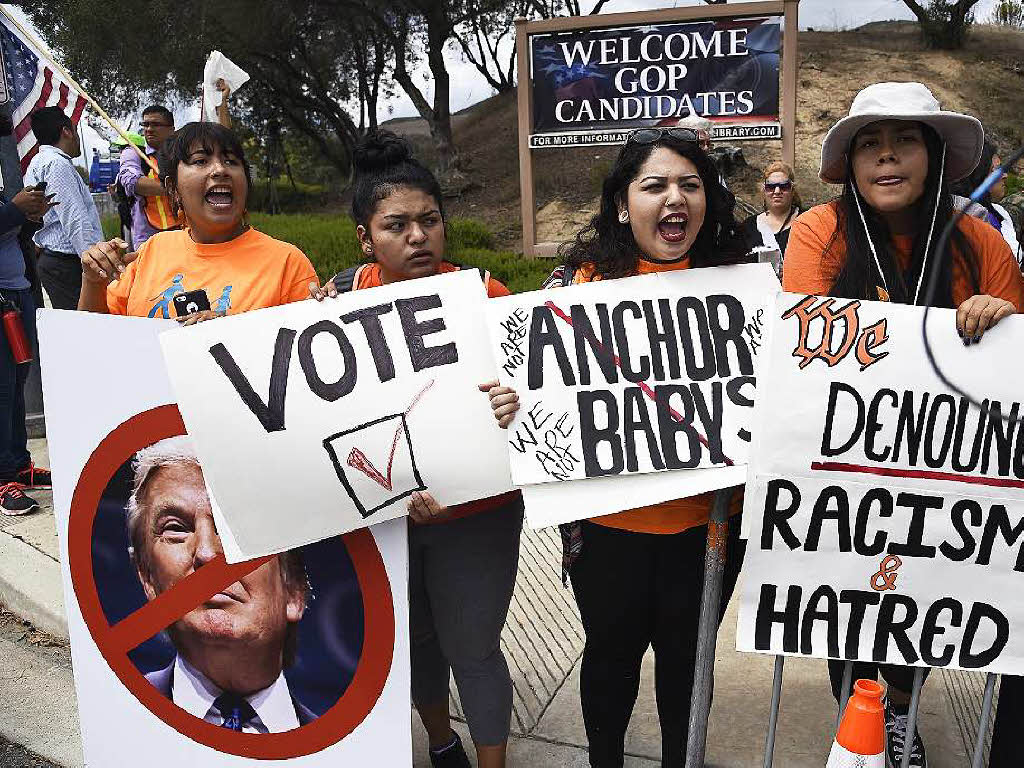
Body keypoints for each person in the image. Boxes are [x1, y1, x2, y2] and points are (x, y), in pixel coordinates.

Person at [483, 126, 749, 768]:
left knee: (689, 664)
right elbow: (523, 380)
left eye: (690, 185)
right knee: (610, 657)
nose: (674, 200)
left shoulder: (742, 285)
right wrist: (509, 401)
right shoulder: (576, 283)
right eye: (654, 185)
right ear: (623, 203)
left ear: (708, 199)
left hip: (707, 528)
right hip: (606, 531)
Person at [783, 81, 1024, 768]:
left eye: (906, 139)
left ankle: (904, 706)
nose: (887, 157)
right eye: (870, 143)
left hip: (946, 483)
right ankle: (869, 715)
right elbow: (802, 341)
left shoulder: (982, 245)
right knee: (849, 616)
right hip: (843, 476)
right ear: (852, 164)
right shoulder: (818, 232)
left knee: (921, 608)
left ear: (937, 155)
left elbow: (1012, 378)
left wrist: (999, 322)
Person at [309, 130, 523, 768]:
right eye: (397, 224)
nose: (418, 236)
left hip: (479, 514)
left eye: (430, 220)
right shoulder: (337, 305)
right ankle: (441, 742)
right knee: (418, 639)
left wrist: (515, 403)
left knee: (473, 647)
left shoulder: (485, 295)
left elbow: (533, 399)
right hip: (384, 516)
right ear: (365, 238)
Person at [126, 437, 315, 732]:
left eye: (235, 527)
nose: (206, 552)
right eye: (176, 528)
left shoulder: (358, 752)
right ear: (147, 577)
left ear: (293, 590)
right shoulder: (118, 720)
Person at [77, 121, 317, 319]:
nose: (220, 170)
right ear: (172, 188)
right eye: (201, 161)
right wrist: (93, 281)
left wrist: (224, 338)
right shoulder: (153, 249)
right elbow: (94, 342)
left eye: (231, 161)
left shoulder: (287, 263)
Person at [0, 115, 58, 515]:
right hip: (4, 299)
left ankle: (18, 465)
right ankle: (3, 477)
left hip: (19, 293)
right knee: (2, 388)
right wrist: (15, 212)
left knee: (17, 384)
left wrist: (27, 217)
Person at [23, 106, 104, 310]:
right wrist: (97, 262)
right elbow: (74, 218)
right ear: (66, 131)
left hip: (58, 262)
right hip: (68, 264)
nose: (76, 138)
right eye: (74, 131)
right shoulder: (56, 164)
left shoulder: (38, 162)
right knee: (86, 327)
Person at [117, 105, 181, 249]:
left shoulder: (182, 153)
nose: (149, 129)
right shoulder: (134, 153)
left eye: (156, 124)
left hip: (183, 233)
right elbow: (131, 182)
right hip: (148, 238)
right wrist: (177, 188)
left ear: (171, 129)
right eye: (145, 124)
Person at [954, 140, 1021, 264]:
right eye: (995, 169)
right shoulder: (957, 221)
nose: (1005, 175)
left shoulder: (1001, 214)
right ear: (978, 174)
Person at [743, 161, 802, 257]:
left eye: (784, 186)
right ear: (764, 191)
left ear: (792, 190)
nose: (777, 191)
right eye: (770, 187)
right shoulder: (748, 227)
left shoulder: (807, 222)